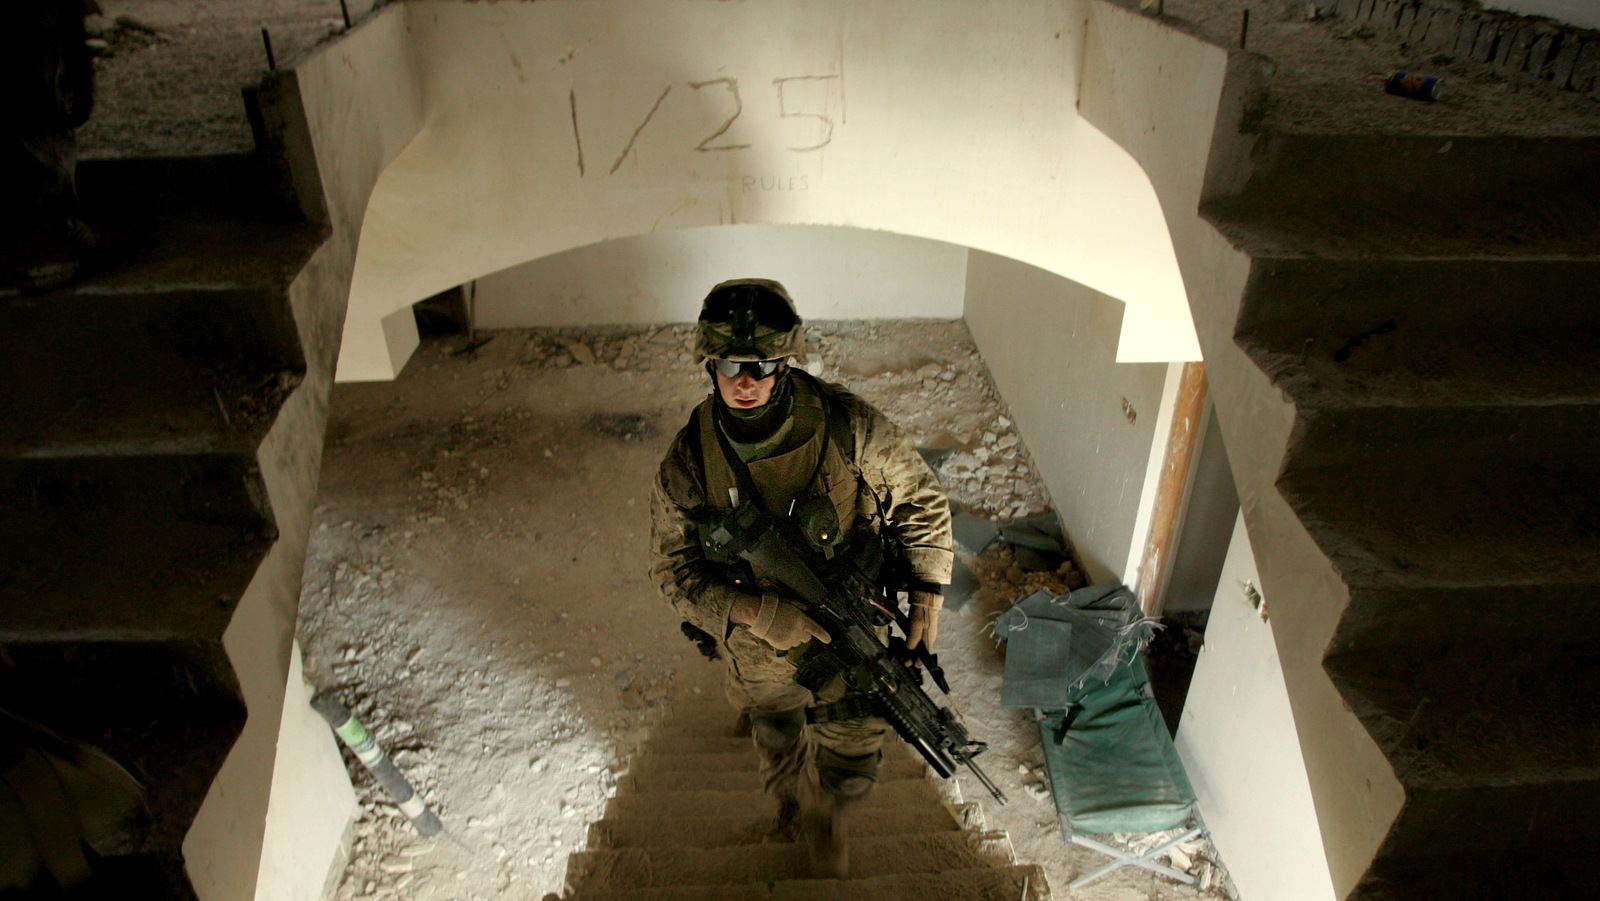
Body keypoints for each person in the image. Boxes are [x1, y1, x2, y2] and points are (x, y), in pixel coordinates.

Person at [649, 278, 953, 878]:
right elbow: (671, 570)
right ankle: (790, 802)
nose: (746, 381)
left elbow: (919, 496)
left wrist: (926, 598)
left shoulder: (844, 424)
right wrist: (755, 615)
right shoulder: (690, 460)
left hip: (848, 613)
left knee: (862, 724)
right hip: (758, 636)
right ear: (709, 365)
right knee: (775, 721)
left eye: (762, 364)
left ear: (784, 364)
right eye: (732, 364)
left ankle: (831, 809)